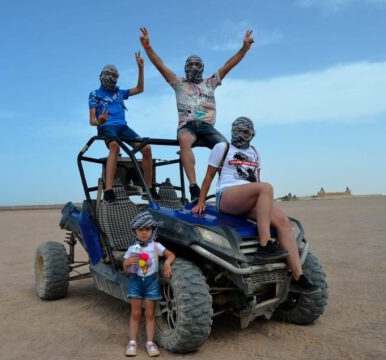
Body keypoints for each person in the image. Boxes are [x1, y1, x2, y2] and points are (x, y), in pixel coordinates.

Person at [191, 117, 319, 293]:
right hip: (227, 196)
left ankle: (298, 275)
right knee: (266, 187)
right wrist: (200, 201)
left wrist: (262, 205)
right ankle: (264, 244)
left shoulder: (254, 152)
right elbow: (209, 177)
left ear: (252, 134)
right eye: (238, 131)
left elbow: (256, 181)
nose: (241, 135)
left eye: (246, 132)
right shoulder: (223, 148)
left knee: (283, 221)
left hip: (249, 196)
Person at [139, 27, 254, 201]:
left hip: (208, 127)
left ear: (203, 67)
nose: (194, 67)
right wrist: (148, 47)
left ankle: (229, 187)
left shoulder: (210, 82)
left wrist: (244, 48)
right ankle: (193, 186)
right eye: (191, 65)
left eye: (197, 64)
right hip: (188, 126)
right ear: (185, 68)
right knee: (184, 140)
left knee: (226, 148)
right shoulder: (178, 82)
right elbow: (160, 65)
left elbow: (229, 64)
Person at [89, 53, 158, 202]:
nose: (112, 77)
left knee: (147, 148)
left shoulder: (119, 93)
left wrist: (141, 68)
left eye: (115, 75)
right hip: (106, 126)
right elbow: (92, 121)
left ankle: (149, 188)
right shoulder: (94, 94)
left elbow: (140, 89)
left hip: (123, 127)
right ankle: (109, 190)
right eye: (109, 74)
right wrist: (100, 121)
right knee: (115, 147)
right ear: (102, 75)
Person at [122, 211, 176, 357]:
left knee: (150, 313)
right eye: (141, 230)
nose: (145, 233)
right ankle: (132, 342)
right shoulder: (132, 248)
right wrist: (127, 263)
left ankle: (150, 343)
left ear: (152, 230)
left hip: (151, 281)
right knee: (136, 313)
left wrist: (167, 264)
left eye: (148, 229)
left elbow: (171, 254)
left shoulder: (156, 246)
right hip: (135, 282)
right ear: (135, 231)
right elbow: (125, 269)